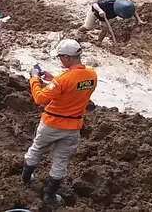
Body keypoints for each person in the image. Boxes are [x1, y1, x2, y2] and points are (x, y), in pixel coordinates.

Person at [23, 39, 98, 205]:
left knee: (36, 149)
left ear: (67, 58)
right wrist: (54, 79)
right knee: (61, 161)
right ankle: (50, 196)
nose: (59, 60)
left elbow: (39, 98)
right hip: (73, 127)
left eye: (60, 57)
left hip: (51, 124)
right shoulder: (92, 74)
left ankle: (26, 179)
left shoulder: (63, 79)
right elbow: (74, 85)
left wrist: (34, 79)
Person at [79, 0, 145, 44]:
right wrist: (100, 11)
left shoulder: (126, 5)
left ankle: (99, 41)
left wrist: (139, 20)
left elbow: (133, 11)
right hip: (95, 12)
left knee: (106, 27)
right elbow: (94, 4)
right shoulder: (109, 2)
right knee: (88, 27)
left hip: (106, 16)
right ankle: (78, 32)